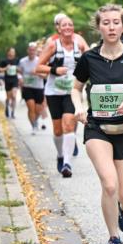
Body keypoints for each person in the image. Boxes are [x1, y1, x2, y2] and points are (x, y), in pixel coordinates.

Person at [72, 4, 123, 244]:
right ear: (99, 27)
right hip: (98, 129)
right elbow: (76, 88)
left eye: (116, 22)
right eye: (106, 22)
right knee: (109, 184)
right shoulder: (89, 58)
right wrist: (79, 108)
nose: (112, 27)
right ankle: (114, 238)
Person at [36, 16, 89, 177]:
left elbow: (91, 58)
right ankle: (60, 155)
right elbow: (38, 67)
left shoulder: (79, 43)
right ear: (58, 28)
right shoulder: (53, 45)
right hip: (54, 92)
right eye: (64, 25)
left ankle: (67, 163)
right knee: (58, 130)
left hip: (72, 91)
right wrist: (54, 70)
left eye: (70, 25)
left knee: (69, 125)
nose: (68, 27)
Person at [19, 42, 46, 134]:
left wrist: (37, 73)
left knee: (37, 110)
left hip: (38, 87)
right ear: (27, 50)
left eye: (33, 50)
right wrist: (20, 79)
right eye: (30, 50)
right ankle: (34, 126)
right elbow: (19, 72)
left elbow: (45, 76)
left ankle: (35, 120)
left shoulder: (40, 60)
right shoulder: (22, 61)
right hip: (27, 87)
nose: (32, 52)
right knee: (31, 108)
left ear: (35, 51)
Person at [0, 47, 20, 118]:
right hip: (7, 80)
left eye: (14, 52)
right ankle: (7, 107)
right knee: (8, 97)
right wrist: (5, 68)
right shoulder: (4, 61)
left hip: (15, 80)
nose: (13, 53)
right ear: (8, 52)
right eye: (11, 51)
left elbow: (20, 69)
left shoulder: (17, 60)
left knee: (14, 96)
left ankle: (13, 112)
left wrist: (18, 69)